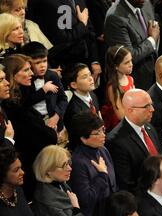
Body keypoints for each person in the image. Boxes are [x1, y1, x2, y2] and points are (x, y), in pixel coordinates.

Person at [2, 54, 57, 200]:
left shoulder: (21, 99)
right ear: (13, 74)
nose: (32, 73)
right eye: (26, 70)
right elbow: (35, 136)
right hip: (27, 169)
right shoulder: (11, 107)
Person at [32, 145, 86, 216]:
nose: (70, 168)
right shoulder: (47, 200)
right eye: (64, 165)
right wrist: (76, 208)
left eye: (69, 163)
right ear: (48, 170)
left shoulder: (61, 185)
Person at [69, 112, 117, 216]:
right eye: (97, 133)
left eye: (103, 130)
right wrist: (102, 175)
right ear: (83, 139)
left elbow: (113, 185)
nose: (103, 135)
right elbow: (86, 200)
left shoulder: (103, 150)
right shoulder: (78, 162)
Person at [106, 89, 161, 192]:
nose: (152, 109)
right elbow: (126, 184)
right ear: (130, 110)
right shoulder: (116, 141)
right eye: (146, 106)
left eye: (151, 104)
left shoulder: (149, 128)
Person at [27, 0, 100, 73]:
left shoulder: (79, 1)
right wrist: (82, 24)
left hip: (87, 60)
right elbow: (64, 38)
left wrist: (94, 60)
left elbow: (90, 31)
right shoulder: (49, 3)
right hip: (66, 64)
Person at [104, 0, 159, 90]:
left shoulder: (146, 4)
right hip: (136, 81)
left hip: (154, 74)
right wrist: (152, 40)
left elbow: (155, 31)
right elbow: (129, 57)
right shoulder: (114, 18)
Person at [21, 41, 68, 135]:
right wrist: (44, 90)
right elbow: (25, 103)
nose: (43, 66)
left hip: (54, 120)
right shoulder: (25, 80)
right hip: (34, 124)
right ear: (28, 64)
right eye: (37, 63)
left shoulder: (53, 76)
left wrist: (57, 116)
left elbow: (63, 99)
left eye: (45, 61)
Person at [102, 45, 135, 132]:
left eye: (131, 60)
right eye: (126, 62)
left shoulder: (130, 79)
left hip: (133, 118)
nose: (131, 64)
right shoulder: (113, 87)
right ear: (116, 66)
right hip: (121, 125)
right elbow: (120, 115)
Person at [63, 63, 102, 134]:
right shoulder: (74, 110)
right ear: (74, 85)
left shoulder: (93, 95)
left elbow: (99, 115)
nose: (91, 78)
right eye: (84, 77)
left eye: (90, 74)